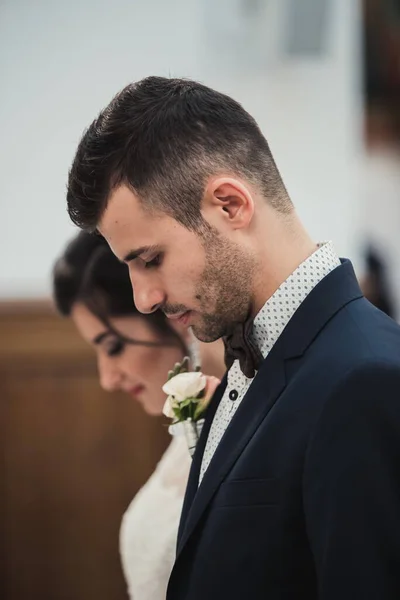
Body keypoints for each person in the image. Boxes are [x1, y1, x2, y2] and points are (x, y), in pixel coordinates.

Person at [65, 77, 400, 599]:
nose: (144, 299)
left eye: (150, 259)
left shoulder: (365, 379)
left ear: (230, 205)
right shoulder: (242, 361)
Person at [52, 231, 224, 600]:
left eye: (113, 346)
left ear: (168, 312)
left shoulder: (249, 410)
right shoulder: (192, 420)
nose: (108, 378)